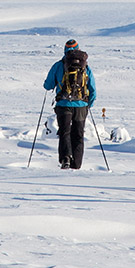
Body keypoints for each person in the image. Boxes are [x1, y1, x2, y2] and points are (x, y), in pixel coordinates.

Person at [42, 39, 97, 170]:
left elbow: (48, 85)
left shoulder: (58, 65)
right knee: (78, 135)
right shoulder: (85, 67)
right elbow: (92, 89)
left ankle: (65, 159)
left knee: (64, 132)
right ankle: (76, 164)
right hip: (81, 105)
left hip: (63, 104)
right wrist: (88, 104)